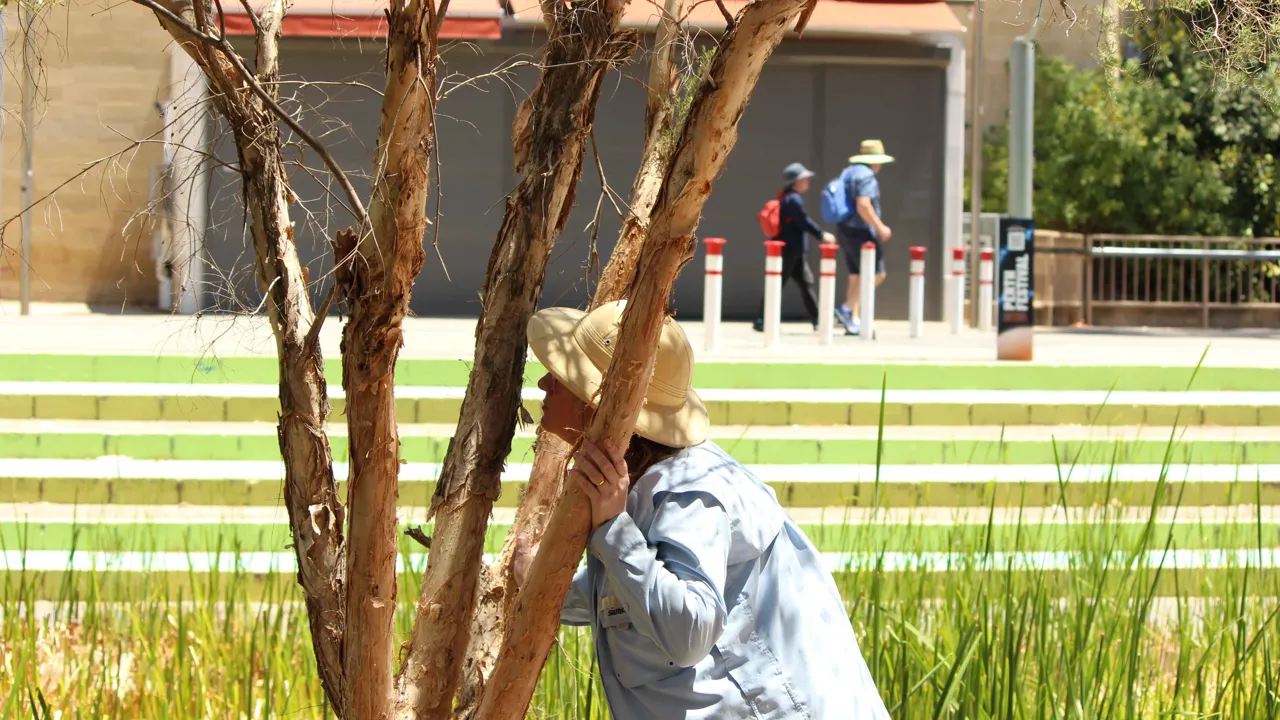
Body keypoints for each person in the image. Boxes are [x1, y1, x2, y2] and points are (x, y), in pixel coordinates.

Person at [515, 300, 891, 720]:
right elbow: (628, 599)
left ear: (596, 406)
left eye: (564, 378)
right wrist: (548, 584)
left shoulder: (690, 492)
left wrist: (613, 529)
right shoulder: (638, 485)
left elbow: (688, 630)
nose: (546, 383)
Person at [753, 162, 837, 332]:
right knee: (776, 282)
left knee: (805, 283)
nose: (807, 182)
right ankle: (762, 319)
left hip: (793, 251)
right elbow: (804, 222)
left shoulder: (788, 198)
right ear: (795, 182)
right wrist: (822, 235)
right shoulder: (793, 200)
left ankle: (818, 319)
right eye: (804, 179)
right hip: (789, 250)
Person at [833, 140, 894, 336]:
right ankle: (847, 308)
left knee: (856, 275)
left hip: (845, 228)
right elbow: (864, 205)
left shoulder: (849, 172)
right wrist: (880, 227)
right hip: (862, 231)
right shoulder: (866, 176)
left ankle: (852, 319)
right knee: (876, 274)